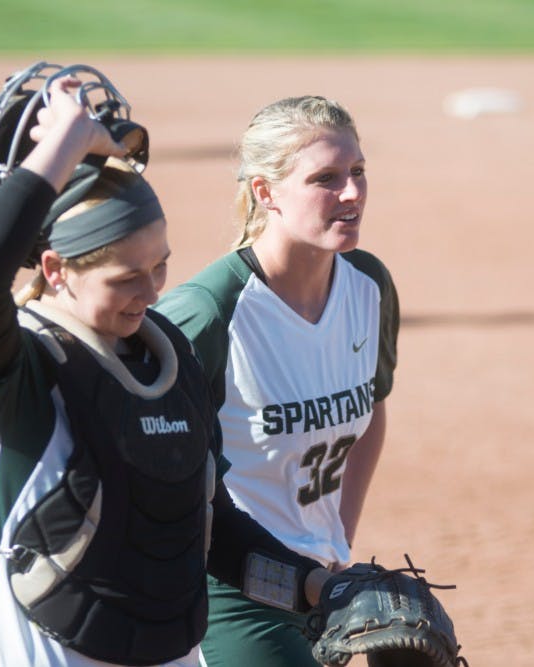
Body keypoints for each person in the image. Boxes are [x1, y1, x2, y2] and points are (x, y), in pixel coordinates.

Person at [0, 65, 337, 667]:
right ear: (54, 269)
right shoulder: (14, 369)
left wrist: (316, 588)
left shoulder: (166, 354)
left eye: (160, 267)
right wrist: (62, 146)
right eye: (125, 278)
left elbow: (208, 531)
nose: (150, 292)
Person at [154, 95, 400, 666]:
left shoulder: (368, 284)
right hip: (229, 591)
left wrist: (337, 545)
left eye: (358, 171)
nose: (353, 193)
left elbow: (373, 409)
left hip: (324, 586)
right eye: (326, 178)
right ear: (266, 193)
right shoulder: (207, 313)